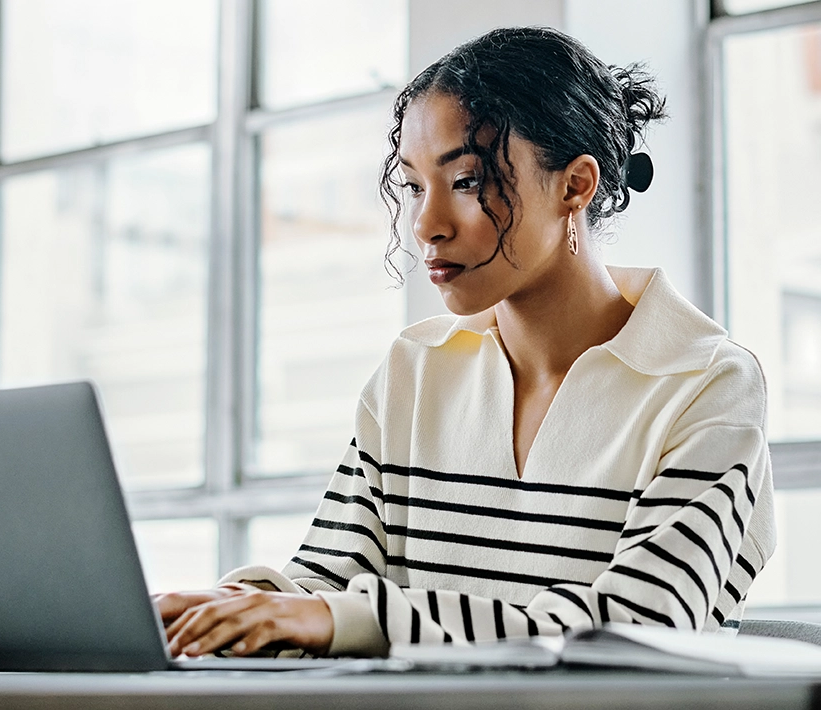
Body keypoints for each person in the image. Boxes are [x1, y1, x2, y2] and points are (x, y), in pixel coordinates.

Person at [154, 26, 777, 659]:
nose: (427, 226)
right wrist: (222, 608)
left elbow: (639, 626)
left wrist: (345, 618)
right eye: (415, 187)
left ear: (575, 185)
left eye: (466, 182)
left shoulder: (706, 384)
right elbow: (328, 584)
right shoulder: (415, 372)